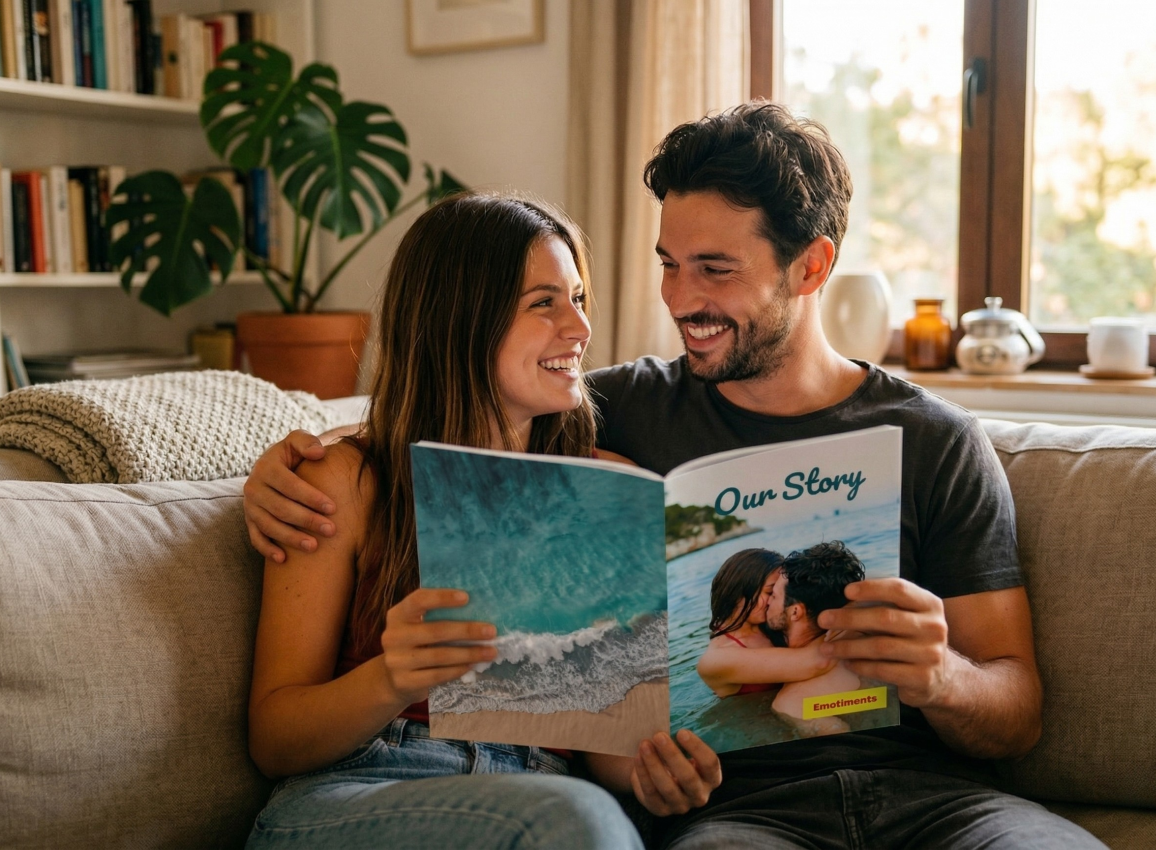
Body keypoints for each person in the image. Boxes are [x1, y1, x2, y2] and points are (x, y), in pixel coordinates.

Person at [241, 104, 1106, 848]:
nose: (677, 299)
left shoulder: (935, 440)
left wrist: (943, 676)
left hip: (934, 800)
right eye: (667, 263)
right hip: (735, 816)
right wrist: (284, 458)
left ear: (811, 266)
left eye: (716, 270)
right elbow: (449, 418)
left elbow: (1016, 706)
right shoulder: (610, 420)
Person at [240, 191, 655, 849]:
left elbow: (601, 742)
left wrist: (650, 771)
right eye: (544, 303)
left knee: (593, 819)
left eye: (577, 299)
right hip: (365, 788)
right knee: (579, 823)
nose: (578, 329)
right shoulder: (345, 482)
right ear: (460, 320)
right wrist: (390, 678)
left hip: (543, 790)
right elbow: (275, 742)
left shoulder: (606, 488)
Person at [695, 547, 836, 699]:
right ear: (738, 590)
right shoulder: (716, 660)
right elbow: (818, 663)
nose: (773, 601)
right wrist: (839, 623)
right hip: (764, 719)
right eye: (770, 592)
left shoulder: (771, 622)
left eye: (779, 593)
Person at [763, 542, 867, 734]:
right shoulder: (867, 639)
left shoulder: (793, 702)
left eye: (774, 596)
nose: (767, 601)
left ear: (795, 612)